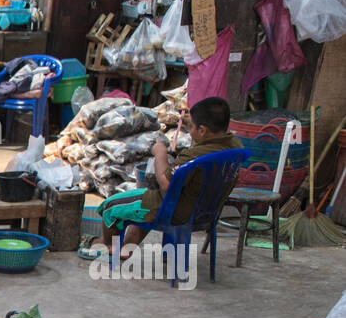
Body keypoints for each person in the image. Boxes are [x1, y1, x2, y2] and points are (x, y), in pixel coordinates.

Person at [90, 96, 243, 262]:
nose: (189, 131)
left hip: (177, 209)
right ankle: (127, 247)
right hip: (205, 209)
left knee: (110, 206)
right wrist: (192, 126)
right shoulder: (235, 145)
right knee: (140, 203)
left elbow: (166, 183)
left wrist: (160, 153)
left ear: (203, 130)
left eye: (192, 128)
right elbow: (206, 145)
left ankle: (108, 245)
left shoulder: (193, 156)